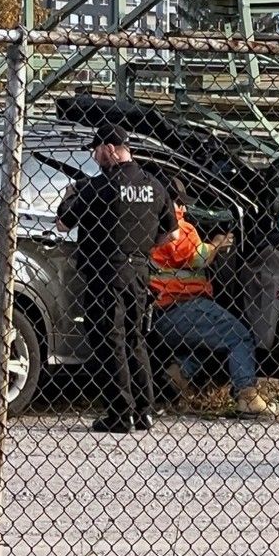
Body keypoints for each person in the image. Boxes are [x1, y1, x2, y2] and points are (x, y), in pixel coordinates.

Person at [57, 125, 179, 434]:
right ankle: (144, 410)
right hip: (138, 272)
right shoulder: (154, 185)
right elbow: (172, 234)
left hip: (105, 273)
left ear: (110, 149)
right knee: (135, 339)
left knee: (109, 341)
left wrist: (70, 195)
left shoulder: (97, 188)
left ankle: (120, 413)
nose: (94, 157)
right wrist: (142, 248)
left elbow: (62, 224)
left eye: (96, 150)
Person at [149, 178, 279, 417]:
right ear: (169, 202)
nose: (184, 208)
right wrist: (218, 242)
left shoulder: (146, 222)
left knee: (212, 341)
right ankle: (246, 395)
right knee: (239, 337)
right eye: (180, 203)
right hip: (183, 306)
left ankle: (177, 376)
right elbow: (199, 258)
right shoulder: (178, 227)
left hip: (160, 312)